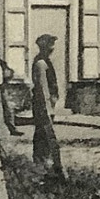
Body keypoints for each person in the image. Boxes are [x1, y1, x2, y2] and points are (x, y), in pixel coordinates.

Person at [31, 33, 65, 179]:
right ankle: (43, 164)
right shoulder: (41, 63)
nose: (52, 48)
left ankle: (42, 163)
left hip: (47, 104)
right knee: (44, 133)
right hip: (43, 104)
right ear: (43, 47)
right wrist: (47, 106)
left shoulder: (45, 61)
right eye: (50, 45)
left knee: (43, 133)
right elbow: (42, 87)